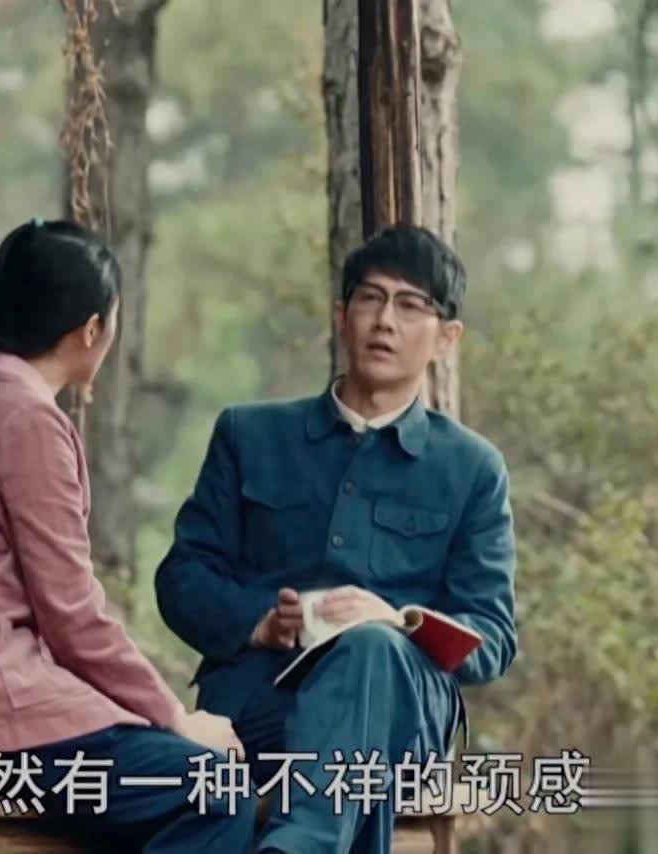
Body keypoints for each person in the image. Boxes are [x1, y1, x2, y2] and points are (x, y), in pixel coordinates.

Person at [0, 218, 256, 852]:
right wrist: (175, 717)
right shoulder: (28, 422)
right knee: (216, 789)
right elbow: (72, 613)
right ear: (91, 330)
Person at [155, 225, 518, 854]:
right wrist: (260, 623)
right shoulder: (250, 435)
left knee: (372, 648)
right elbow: (182, 579)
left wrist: (399, 621)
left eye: (411, 305)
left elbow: (493, 635)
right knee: (348, 753)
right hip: (261, 709)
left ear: (446, 338)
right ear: (341, 315)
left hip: (403, 714)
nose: (385, 321)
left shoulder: (472, 469)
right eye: (370, 298)